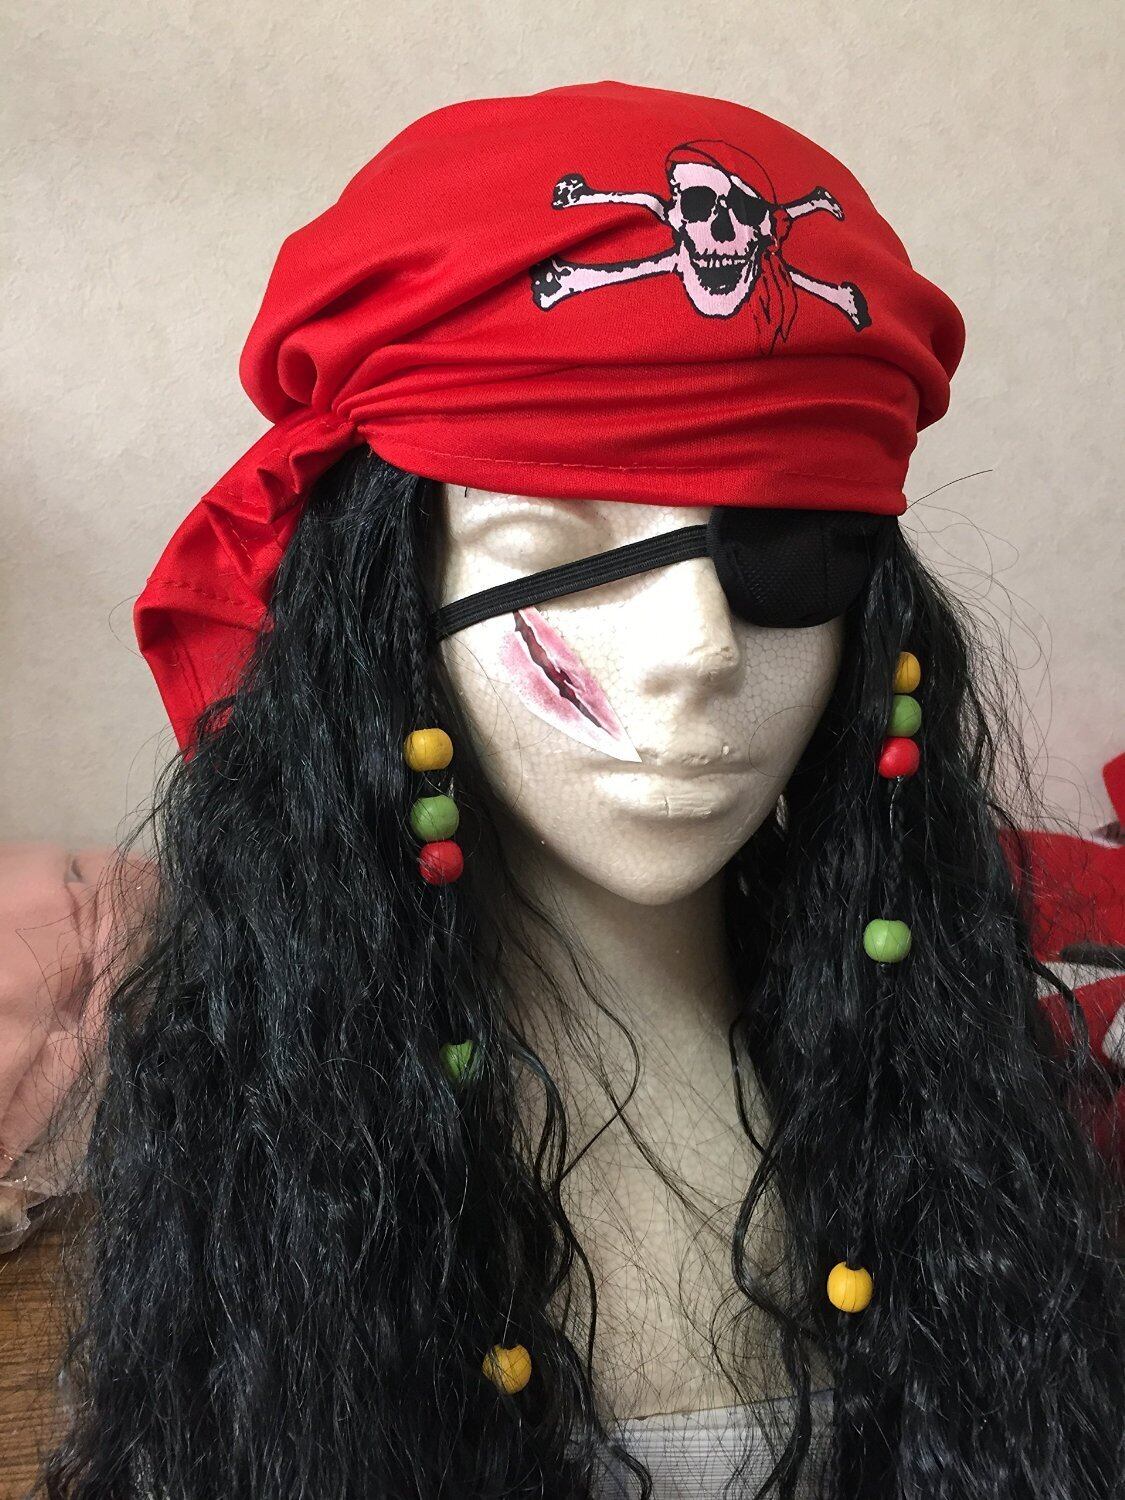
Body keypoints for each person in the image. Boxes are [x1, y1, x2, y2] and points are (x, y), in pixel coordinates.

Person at [37, 81, 1124, 1499]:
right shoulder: (280, 1144)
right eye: (554, 545)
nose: (696, 651)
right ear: (385, 609)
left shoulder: (948, 1088)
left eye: (783, 553)